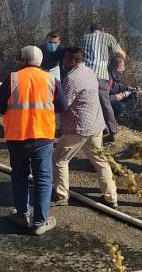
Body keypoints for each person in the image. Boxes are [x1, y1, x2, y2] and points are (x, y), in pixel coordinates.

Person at [0, 45, 66, 235]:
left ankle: (22, 215)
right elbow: (63, 105)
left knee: (19, 176)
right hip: (42, 137)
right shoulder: (51, 79)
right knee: (43, 179)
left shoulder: (13, 78)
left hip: (17, 136)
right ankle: (40, 222)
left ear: (23, 60)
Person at [51, 47, 119, 209]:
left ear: (73, 61)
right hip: (95, 125)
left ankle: (61, 195)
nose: (64, 62)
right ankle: (111, 197)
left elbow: (63, 104)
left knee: (60, 159)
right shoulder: (89, 72)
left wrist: (57, 126)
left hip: (78, 128)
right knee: (100, 161)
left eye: (66, 59)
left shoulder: (71, 79)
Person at [79, 23, 126, 143]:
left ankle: (92, 129)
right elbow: (120, 54)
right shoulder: (108, 37)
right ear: (103, 30)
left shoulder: (83, 38)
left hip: (85, 75)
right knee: (105, 104)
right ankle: (113, 131)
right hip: (100, 76)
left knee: (88, 103)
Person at [108, 54, 138, 118]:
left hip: (111, 102)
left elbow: (116, 89)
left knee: (129, 97)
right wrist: (114, 97)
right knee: (120, 106)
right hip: (105, 107)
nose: (124, 69)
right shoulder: (108, 79)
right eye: (123, 66)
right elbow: (102, 98)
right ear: (118, 68)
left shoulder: (115, 76)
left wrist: (127, 89)